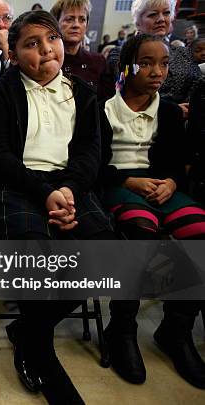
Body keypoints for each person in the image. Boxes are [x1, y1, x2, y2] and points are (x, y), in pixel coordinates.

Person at [0, 11, 115, 404]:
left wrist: (69, 190)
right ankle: (43, 353)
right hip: (17, 185)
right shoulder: (0, 93)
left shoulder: (85, 94)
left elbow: (91, 153)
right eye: (31, 44)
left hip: (69, 185)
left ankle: (29, 331)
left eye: (50, 39)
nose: (45, 49)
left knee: (107, 254)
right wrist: (43, 193)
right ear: (14, 55)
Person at [99, 33, 205, 389]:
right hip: (119, 184)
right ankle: (122, 327)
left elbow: (179, 163)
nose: (157, 71)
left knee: (199, 233)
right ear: (126, 66)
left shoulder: (171, 112)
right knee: (140, 233)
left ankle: (177, 330)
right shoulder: (103, 109)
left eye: (163, 63)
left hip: (162, 186)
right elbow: (94, 165)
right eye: (146, 63)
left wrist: (173, 184)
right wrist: (129, 182)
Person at [106, 0, 201, 110]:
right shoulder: (121, 54)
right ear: (137, 22)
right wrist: (173, 110)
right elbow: (127, 92)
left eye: (166, 13)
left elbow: (198, 89)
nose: (161, 19)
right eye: (153, 14)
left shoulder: (184, 53)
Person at [50, 0, 112, 98]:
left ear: (87, 26)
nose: (76, 25)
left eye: (82, 20)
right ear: (55, 23)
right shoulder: (47, 62)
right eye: (69, 19)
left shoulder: (98, 62)